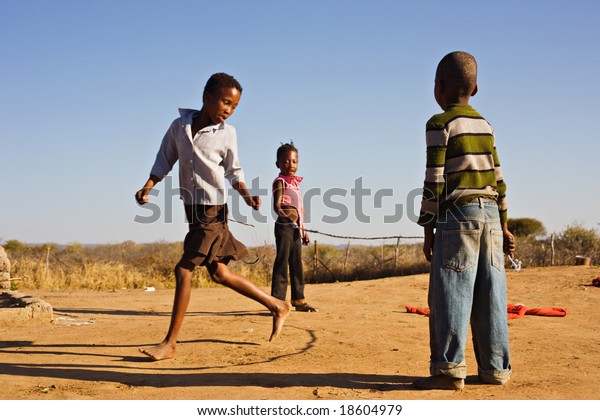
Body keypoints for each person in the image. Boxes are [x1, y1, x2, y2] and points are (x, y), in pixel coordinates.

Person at [135, 73, 291, 361]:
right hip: (192, 208)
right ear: (207, 96)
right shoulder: (179, 126)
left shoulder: (227, 133)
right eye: (225, 102)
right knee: (219, 273)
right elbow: (164, 158)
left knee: (184, 270)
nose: (228, 110)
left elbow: (234, 170)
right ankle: (277, 305)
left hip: (213, 208)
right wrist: (149, 185)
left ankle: (170, 343)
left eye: (233, 106)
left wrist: (246, 195)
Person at [414, 52, 516, 390]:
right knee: (492, 294)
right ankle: (495, 370)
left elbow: (434, 181)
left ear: (439, 87)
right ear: (475, 88)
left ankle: (448, 370)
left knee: (450, 292)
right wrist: (502, 225)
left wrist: (427, 228)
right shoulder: (486, 126)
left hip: (458, 216)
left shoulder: (440, 123)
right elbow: (499, 180)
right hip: (489, 214)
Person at [270, 142, 317, 312]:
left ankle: (299, 300)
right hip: (284, 227)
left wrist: (303, 231)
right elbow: (277, 206)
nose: (291, 165)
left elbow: (300, 211)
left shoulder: (295, 184)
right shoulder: (280, 182)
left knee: (296, 263)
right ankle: (277, 302)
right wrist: (287, 218)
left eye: (294, 161)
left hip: (296, 229)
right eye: (286, 161)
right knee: (282, 262)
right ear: (278, 164)